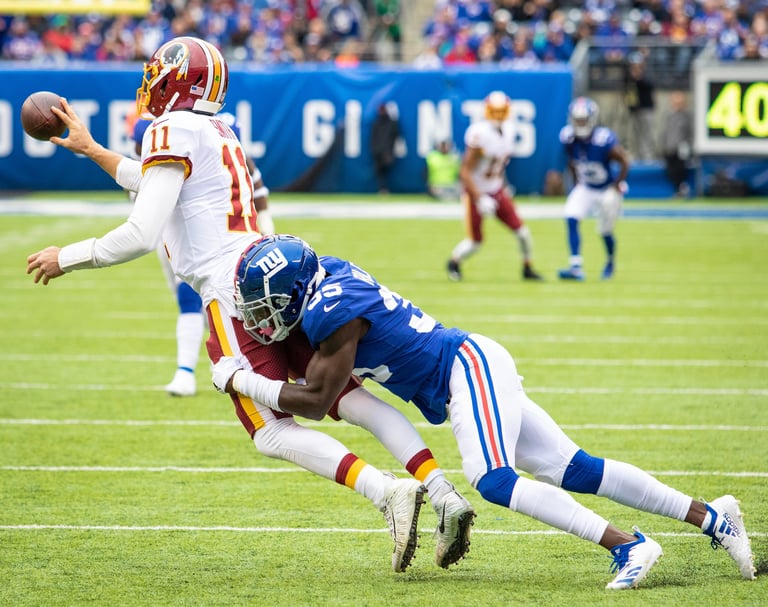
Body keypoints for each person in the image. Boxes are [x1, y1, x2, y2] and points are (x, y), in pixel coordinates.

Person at [25, 36, 474, 573]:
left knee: (271, 430)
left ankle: (386, 492)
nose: (150, 79)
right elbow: (153, 185)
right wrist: (92, 148)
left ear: (177, 78)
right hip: (274, 274)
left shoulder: (169, 129)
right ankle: (441, 489)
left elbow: (143, 232)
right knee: (347, 396)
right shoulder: (216, 128)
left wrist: (68, 256)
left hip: (231, 291)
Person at [214, 233, 757, 589]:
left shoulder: (330, 309)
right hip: (467, 369)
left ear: (293, 293)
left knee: (493, 480)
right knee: (574, 468)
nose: (259, 320)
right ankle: (714, 517)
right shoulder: (326, 277)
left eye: (264, 306)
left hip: (464, 368)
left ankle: (629, 546)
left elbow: (314, 400)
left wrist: (241, 380)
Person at [131, 112, 275, 396]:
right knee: (201, 303)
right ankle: (230, 363)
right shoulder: (155, 128)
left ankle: (189, 372)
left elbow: (255, 184)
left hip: (217, 234)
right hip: (174, 231)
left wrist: (267, 232)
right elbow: (138, 185)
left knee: (210, 300)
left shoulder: (220, 128)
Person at [446, 91, 544, 282]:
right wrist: (479, 198)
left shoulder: (510, 130)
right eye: (494, 111)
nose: (498, 116)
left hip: (496, 190)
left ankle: (527, 268)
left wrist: (503, 185)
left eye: (501, 111)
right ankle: (454, 262)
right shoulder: (479, 134)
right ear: (487, 111)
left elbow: (498, 165)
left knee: (523, 233)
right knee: (475, 242)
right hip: (476, 193)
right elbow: (464, 172)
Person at [557, 96, 630, 281]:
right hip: (586, 186)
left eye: (583, 120)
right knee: (571, 216)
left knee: (605, 230)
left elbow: (624, 160)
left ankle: (610, 261)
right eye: (577, 120)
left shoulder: (603, 139)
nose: (580, 124)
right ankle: (575, 266)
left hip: (606, 189)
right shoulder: (568, 138)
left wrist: (618, 183)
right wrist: (576, 182)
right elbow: (571, 161)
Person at [624, 53, 656, 162]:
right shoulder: (628, 76)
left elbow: (650, 86)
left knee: (646, 133)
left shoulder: (647, 74)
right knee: (634, 134)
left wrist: (639, 78)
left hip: (646, 108)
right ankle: (636, 154)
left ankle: (647, 156)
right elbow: (627, 90)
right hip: (634, 109)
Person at [660, 91, 693, 198]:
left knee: (680, 170)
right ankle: (677, 189)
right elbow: (665, 132)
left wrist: (688, 146)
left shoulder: (687, 116)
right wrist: (663, 145)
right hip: (669, 148)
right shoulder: (669, 115)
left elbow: (690, 132)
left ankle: (681, 188)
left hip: (681, 148)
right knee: (670, 171)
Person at [370, 102, 400, 194]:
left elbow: (395, 134)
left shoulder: (391, 123)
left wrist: (389, 150)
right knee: (379, 172)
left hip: (387, 151)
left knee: (386, 170)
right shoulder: (376, 123)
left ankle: (385, 188)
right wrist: (375, 150)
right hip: (378, 152)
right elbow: (373, 138)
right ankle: (382, 188)